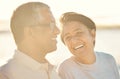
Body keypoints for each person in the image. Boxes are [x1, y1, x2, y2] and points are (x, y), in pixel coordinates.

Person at [0, 2, 61, 79]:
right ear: (30, 32)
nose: (57, 31)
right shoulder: (6, 75)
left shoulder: (55, 71)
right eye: (50, 25)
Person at [58, 12, 120, 79]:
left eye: (78, 33)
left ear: (93, 34)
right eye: (68, 37)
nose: (74, 41)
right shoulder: (65, 69)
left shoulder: (109, 60)